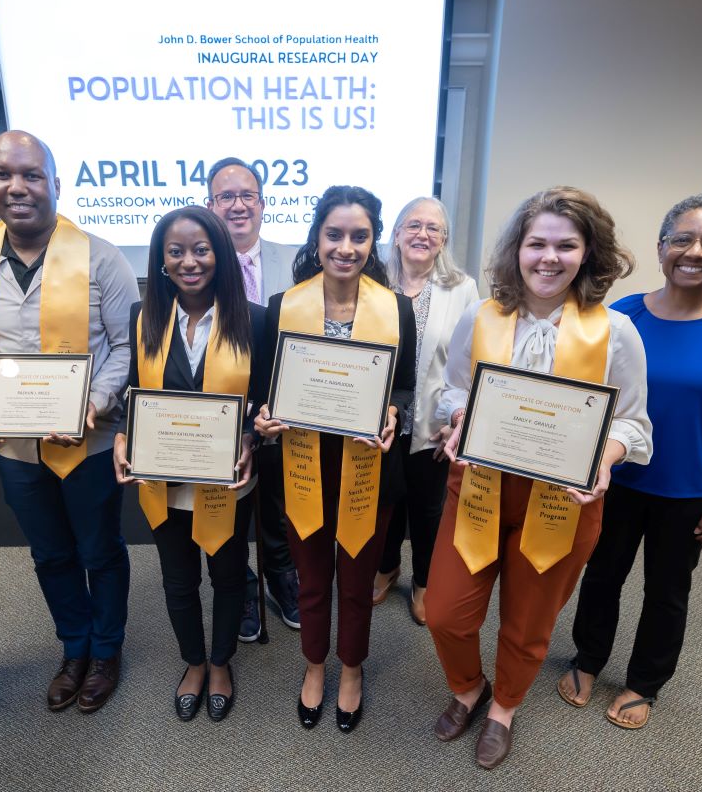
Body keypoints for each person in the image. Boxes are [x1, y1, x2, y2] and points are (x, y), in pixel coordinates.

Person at [426, 186, 652, 768]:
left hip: (563, 500)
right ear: (516, 250)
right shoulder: (483, 318)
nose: (549, 258)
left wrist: (605, 460)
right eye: (537, 244)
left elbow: (632, 421)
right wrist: (457, 418)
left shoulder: (616, 332)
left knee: (528, 622)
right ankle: (468, 687)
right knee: (448, 612)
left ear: (588, 254)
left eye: (566, 245)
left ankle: (503, 705)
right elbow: (456, 389)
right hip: (477, 488)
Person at [557, 193, 702, 728]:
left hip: (691, 488)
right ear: (661, 248)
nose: (695, 251)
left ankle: (644, 682)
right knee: (601, 575)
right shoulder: (622, 315)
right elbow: (589, 396)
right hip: (618, 477)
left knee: (668, 590)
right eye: (682, 239)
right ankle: (587, 659)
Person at [0, 130, 138, 713]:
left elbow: (127, 345)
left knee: (99, 549)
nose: (18, 187)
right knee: (50, 554)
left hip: (88, 440)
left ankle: (106, 651)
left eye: (32, 175)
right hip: (14, 446)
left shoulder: (100, 257)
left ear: (55, 184)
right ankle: (73, 646)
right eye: (5, 174)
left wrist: (96, 400)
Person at [255, 185, 416, 733]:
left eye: (359, 236)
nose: (346, 247)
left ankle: (351, 671)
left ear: (374, 242)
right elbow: (264, 392)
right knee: (311, 578)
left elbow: (406, 390)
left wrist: (395, 412)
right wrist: (264, 418)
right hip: (304, 466)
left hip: (367, 468)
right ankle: (315, 666)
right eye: (334, 234)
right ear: (317, 238)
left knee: (357, 580)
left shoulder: (397, 310)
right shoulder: (282, 308)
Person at [113, 206, 265, 722]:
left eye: (201, 249)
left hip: (226, 478)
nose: (189, 261)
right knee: (177, 580)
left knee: (226, 577)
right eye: (175, 251)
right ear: (161, 260)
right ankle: (193, 662)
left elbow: (264, 401)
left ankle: (220, 662)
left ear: (220, 255)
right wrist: (121, 434)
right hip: (164, 476)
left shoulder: (255, 319)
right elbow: (136, 390)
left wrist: (250, 439)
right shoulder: (144, 317)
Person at [373, 197, 480, 624]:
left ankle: (423, 580)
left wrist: (455, 420)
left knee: (428, 507)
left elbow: (472, 359)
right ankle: (385, 568)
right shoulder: (374, 283)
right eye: (413, 225)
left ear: (444, 240)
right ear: (396, 234)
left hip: (433, 423)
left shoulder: (462, 288)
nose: (423, 234)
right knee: (384, 501)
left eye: (433, 228)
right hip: (379, 419)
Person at [206, 157, 300, 641]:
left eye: (248, 196)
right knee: (224, 503)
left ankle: (282, 576)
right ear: (210, 205)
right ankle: (240, 585)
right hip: (217, 409)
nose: (238, 205)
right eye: (227, 197)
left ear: (263, 204)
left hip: (283, 407)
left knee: (281, 499)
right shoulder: (196, 261)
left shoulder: (297, 259)